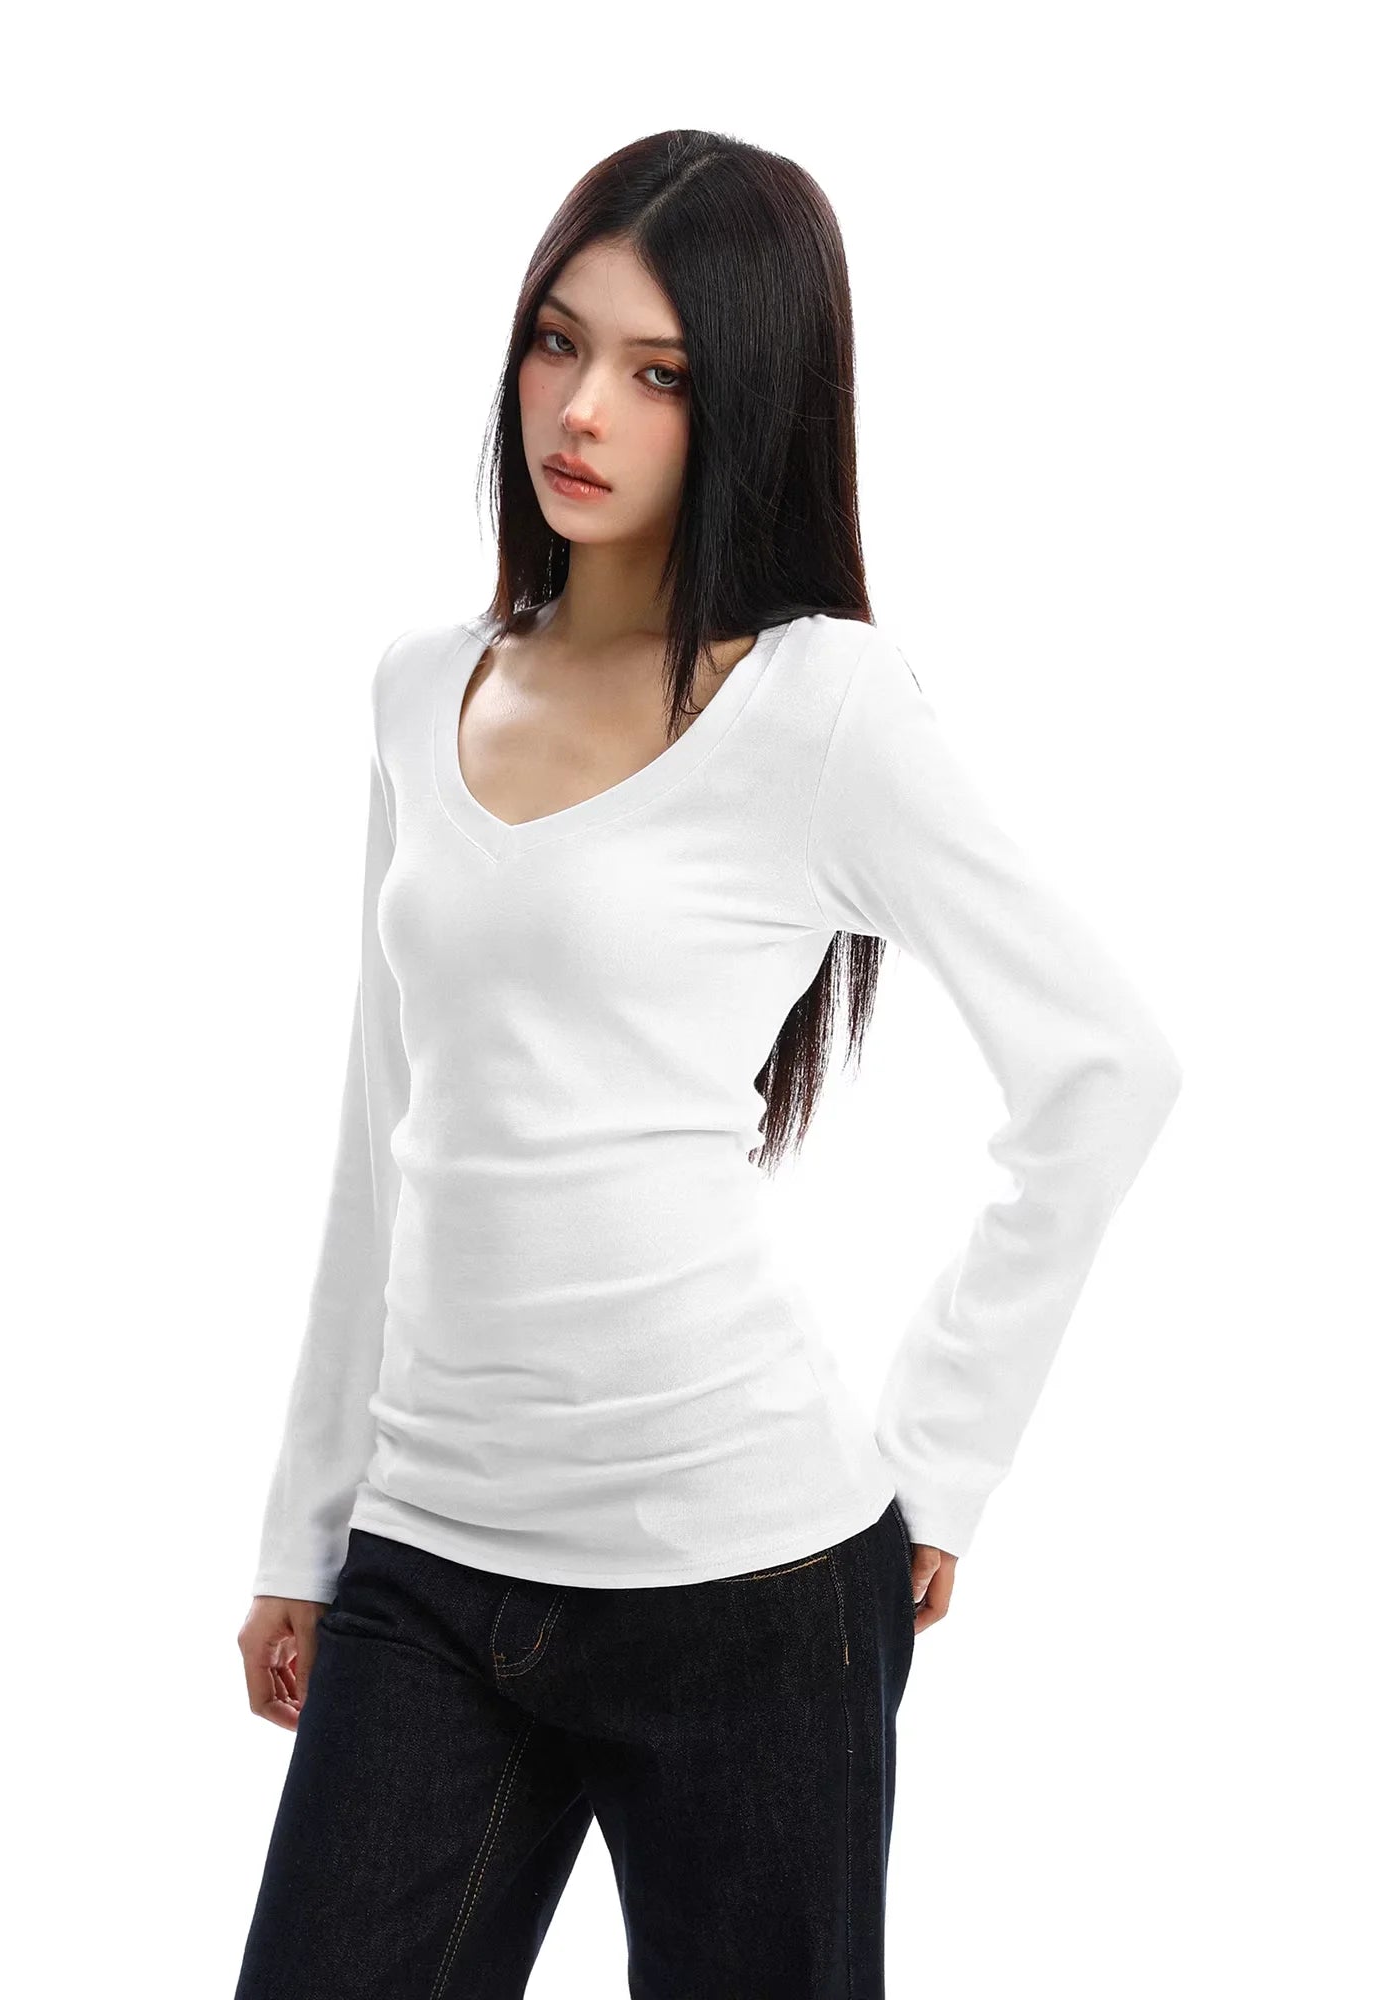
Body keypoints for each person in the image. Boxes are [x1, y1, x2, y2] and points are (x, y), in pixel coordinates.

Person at [232, 128, 1183, 1999]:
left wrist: (944, 1460)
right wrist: (304, 1521)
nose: (582, 409)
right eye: (557, 341)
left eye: (659, 373)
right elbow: (382, 1123)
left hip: (747, 1585)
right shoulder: (421, 687)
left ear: (748, 403)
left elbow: (1106, 1065)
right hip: (430, 1559)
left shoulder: (820, 706)